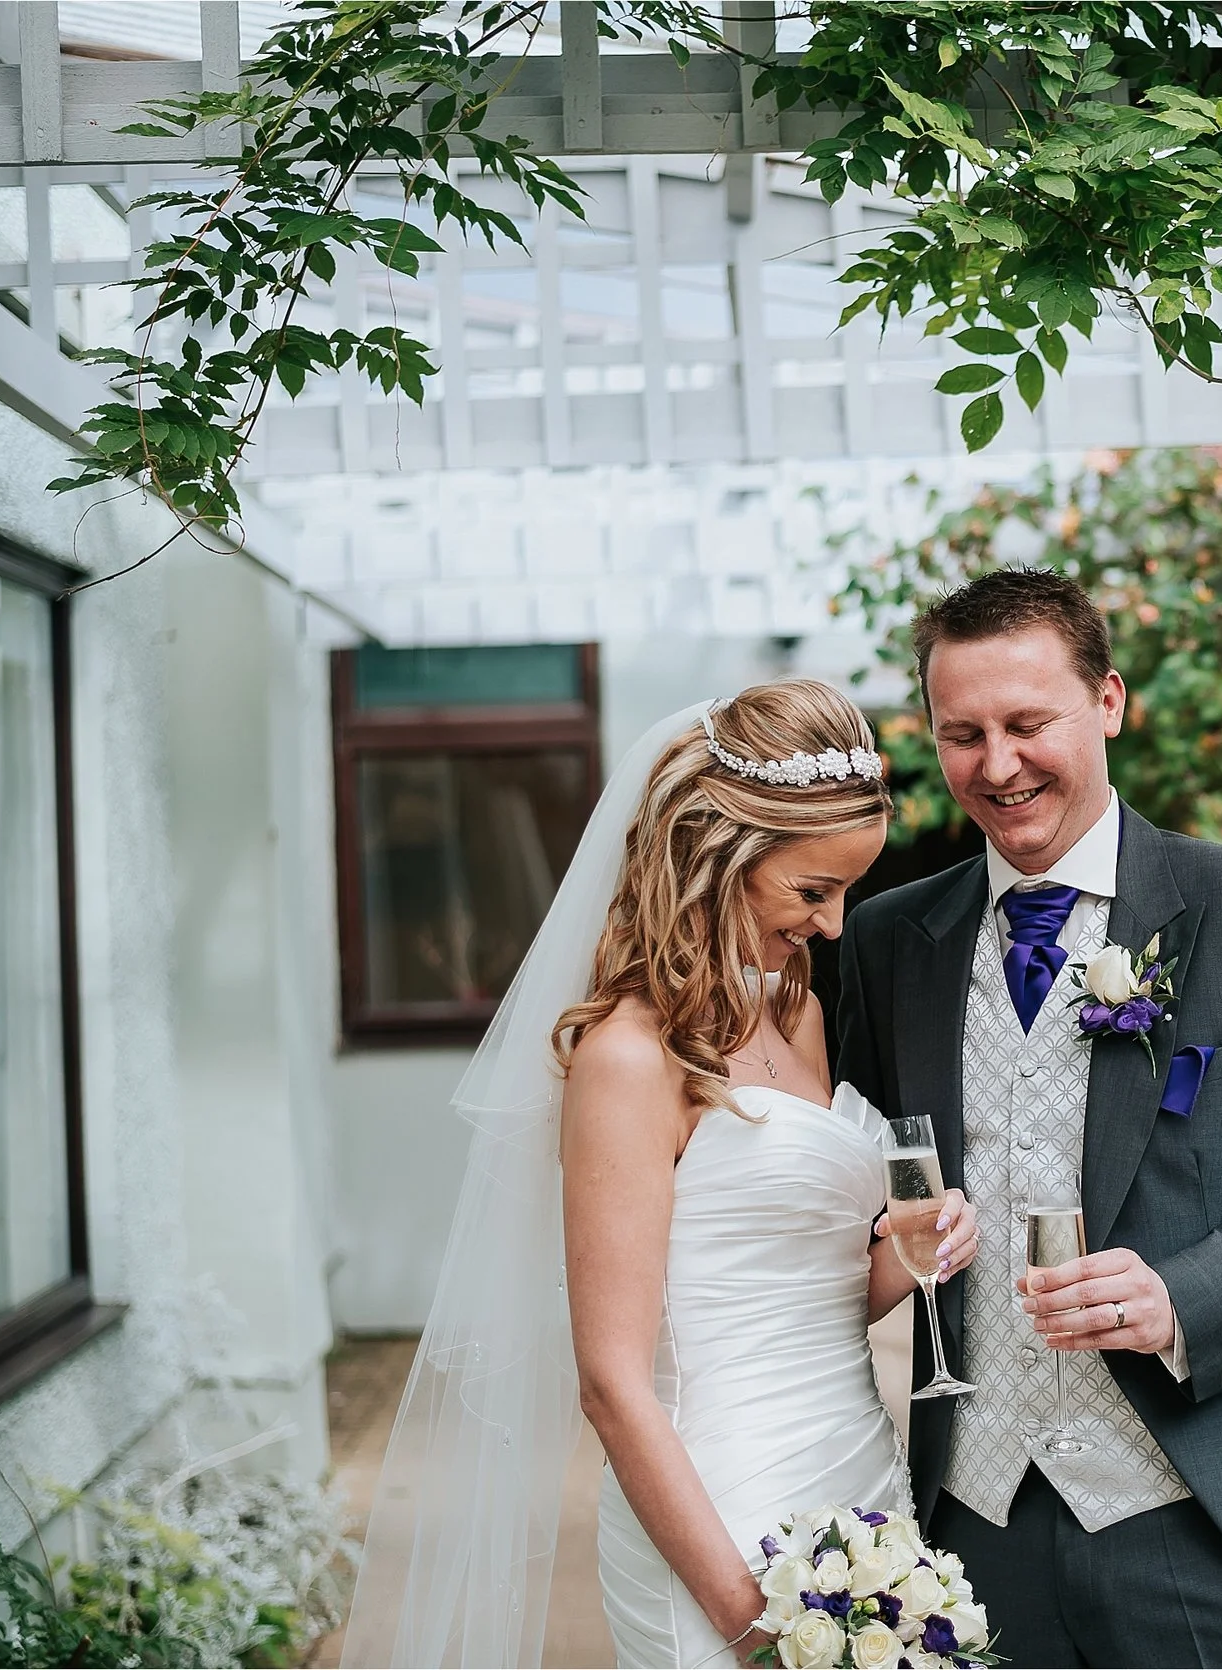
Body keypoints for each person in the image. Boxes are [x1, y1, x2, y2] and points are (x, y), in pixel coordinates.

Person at [339, 680, 976, 1669]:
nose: (835, 925)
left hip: (856, 1478)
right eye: (813, 891)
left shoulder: (797, 1012)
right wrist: (748, 1621)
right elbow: (610, 1385)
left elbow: (814, 1299)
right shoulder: (628, 1059)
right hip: (718, 1519)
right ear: (720, 858)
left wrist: (910, 1252)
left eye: (848, 891)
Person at [834, 568, 1222, 1668]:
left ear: (1107, 702)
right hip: (977, 1521)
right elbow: (864, 1179)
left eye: (1026, 723)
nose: (997, 764)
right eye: (962, 734)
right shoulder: (887, 941)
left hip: (1206, 1511)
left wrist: (1181, 1297)